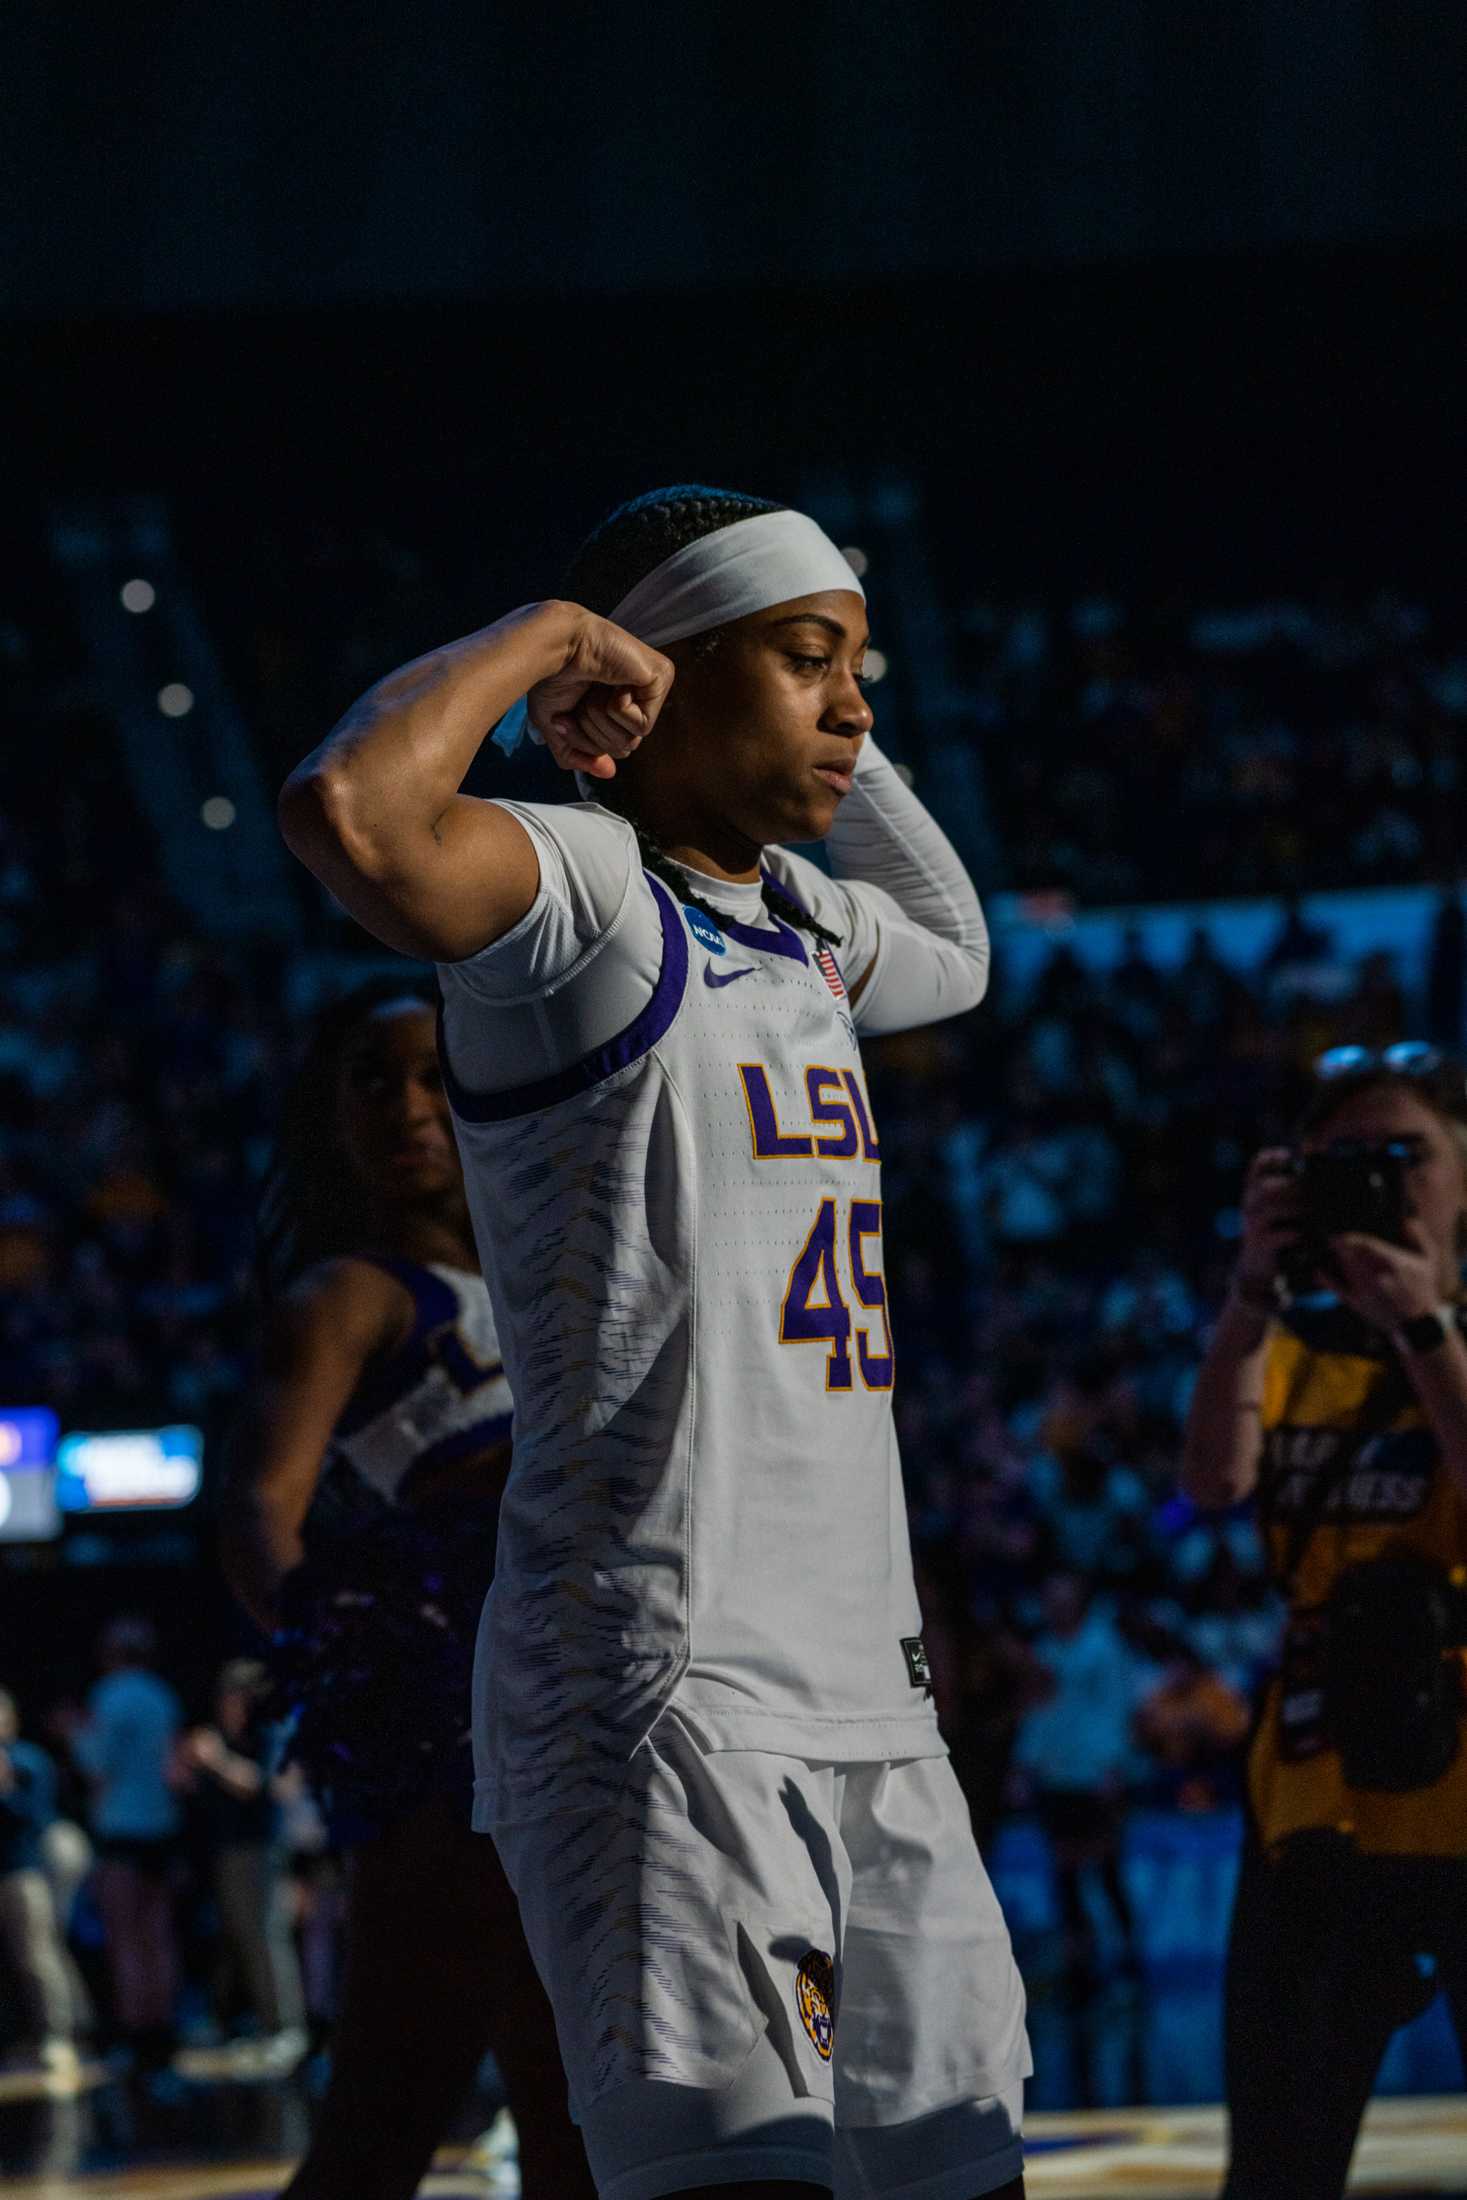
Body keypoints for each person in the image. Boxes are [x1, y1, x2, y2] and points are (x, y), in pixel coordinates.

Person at [278, 485, 1030, 2200]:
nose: (854, 705)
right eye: (807, 663)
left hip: (870, 1695)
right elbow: (353, 809)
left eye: (862, 668)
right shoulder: (590, 894)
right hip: (665, 1693)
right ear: (665, 672)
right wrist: (553, 636)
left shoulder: (802, 923)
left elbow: (965, 952)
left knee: (960, 2177)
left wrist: (826, 710)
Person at [219, 980, 593, 2200]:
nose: (409, 1106)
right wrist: (353, 1672)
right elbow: (259, 1511)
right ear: (331, 1118)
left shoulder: (547, 1267)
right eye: (372, 1081)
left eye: (435, 1072)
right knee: (427, 2113)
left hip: (572, 1710)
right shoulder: (346, 1296)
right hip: (456, 1739)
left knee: (547, 2097)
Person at [1182, 1044, 1467, 2200]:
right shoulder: (1282, 1344)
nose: (1379, 1178)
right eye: (1345, 1159)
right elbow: (1211, 1483)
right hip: (1314, 1801)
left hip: (1458, 1787)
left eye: (1408, 1153)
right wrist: (1251, 1288)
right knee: (1279, 2171)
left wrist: (1426, 1326)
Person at [175, 1659, 306, 2073]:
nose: (227, 1706)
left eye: (234, 1698)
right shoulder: (218, 1737)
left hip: (260, 1848)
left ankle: (288, 2031)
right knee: (238, 1936)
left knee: (267, 1935)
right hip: (226, 1848)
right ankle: (254, 2024)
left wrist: (214, 1761)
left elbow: (261, 1786)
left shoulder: (264, 1733)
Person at [65, 1618, 182, 2075]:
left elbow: (99, 1764)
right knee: (158, 1936)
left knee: (128, 1938)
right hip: (162, 1826)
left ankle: (139, 2037)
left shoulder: (109, 1696)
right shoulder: (161, 1695)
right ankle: (163, 2031)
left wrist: (75, 1734)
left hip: (123, 1829)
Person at [0, 1688, 83, 2086]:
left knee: (38, 1954)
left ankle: (59, 2035)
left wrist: (5, 1787)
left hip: (22, 1872)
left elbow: (35, 1819)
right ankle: (20, 2036)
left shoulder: (27, 1761)